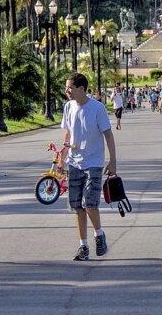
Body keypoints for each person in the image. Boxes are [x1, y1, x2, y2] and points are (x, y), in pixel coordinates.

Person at [59, 73, 117, 262]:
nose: (67, 91)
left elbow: (108, 135)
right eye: (67, 87)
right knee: (77, 206)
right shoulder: (68, 107)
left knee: (90, 203)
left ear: (82, 89)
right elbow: (68, 134)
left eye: (70, 87)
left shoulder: (97, 108)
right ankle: (83, 246)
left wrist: (113, 161)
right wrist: (62, 158)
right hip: (74, 162)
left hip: (93, 163)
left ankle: (99, 234)